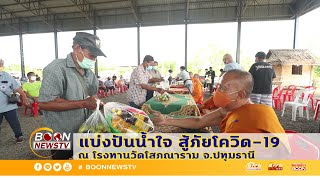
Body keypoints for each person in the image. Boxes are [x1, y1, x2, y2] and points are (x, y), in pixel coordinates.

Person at [38, 32, 106, 159]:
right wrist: (82, 103)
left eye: (96, 57)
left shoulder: (89, 74)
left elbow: (91, 97)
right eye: (91, 55)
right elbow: (44, 103)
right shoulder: (57, 69)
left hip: (84, 133)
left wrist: (98, 104)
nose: (93, 60)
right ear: (76, 48)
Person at [152, 69, 286, 134]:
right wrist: (166, 120)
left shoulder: (251, 121)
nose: (217, 92)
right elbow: (200, 121)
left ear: (240, 94)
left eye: (222, 88)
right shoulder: (228, 109)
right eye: (218, 87)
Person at [0, 59, 28, 143]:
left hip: (9, 106)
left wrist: (24, 96)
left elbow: (17, 87)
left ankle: (19, 136)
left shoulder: (6, 75)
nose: (1, 67)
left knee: (14, 122)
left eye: (1, 65)